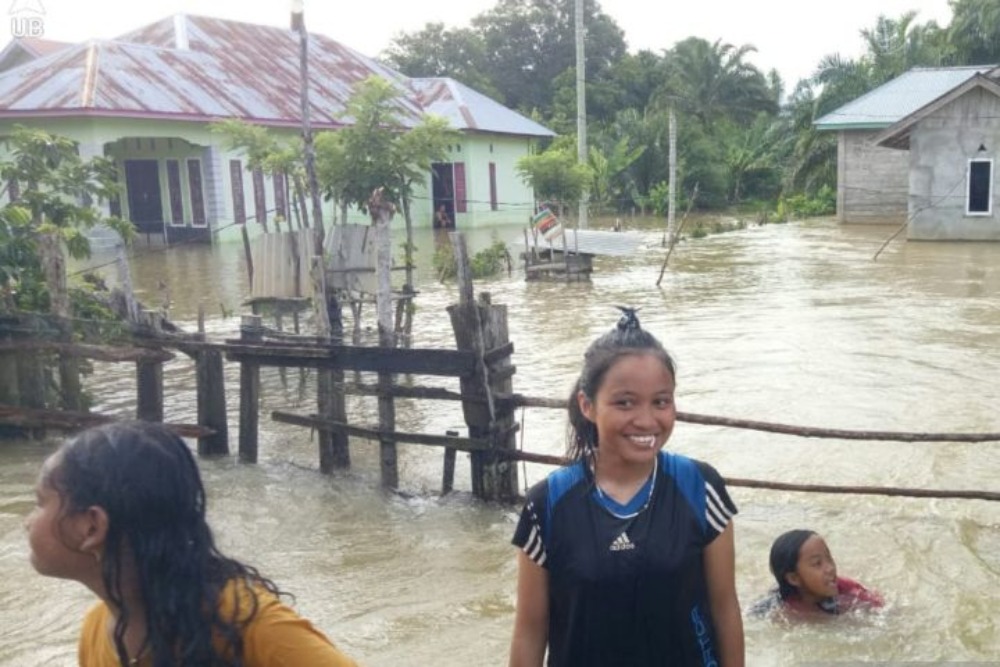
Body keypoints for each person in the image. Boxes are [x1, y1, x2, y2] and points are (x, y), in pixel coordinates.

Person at [508, 308, 744, 667]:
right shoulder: (549, 506)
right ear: (587, 405)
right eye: (625, 402)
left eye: (661, 402)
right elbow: (529, 631)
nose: (647, 420)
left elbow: (725, 608)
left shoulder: (700, 489)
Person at [24, 421, 359, 667]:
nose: (28, 521)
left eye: (40, 502)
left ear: (91, 526)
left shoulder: (246, 622)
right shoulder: (97, 631)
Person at [750, 529, 884, 617]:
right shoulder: (776, 609)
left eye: (829, 558)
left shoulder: (847, 591)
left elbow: (882, 609)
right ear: (794, 578)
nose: (830, 568)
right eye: (817, 564)